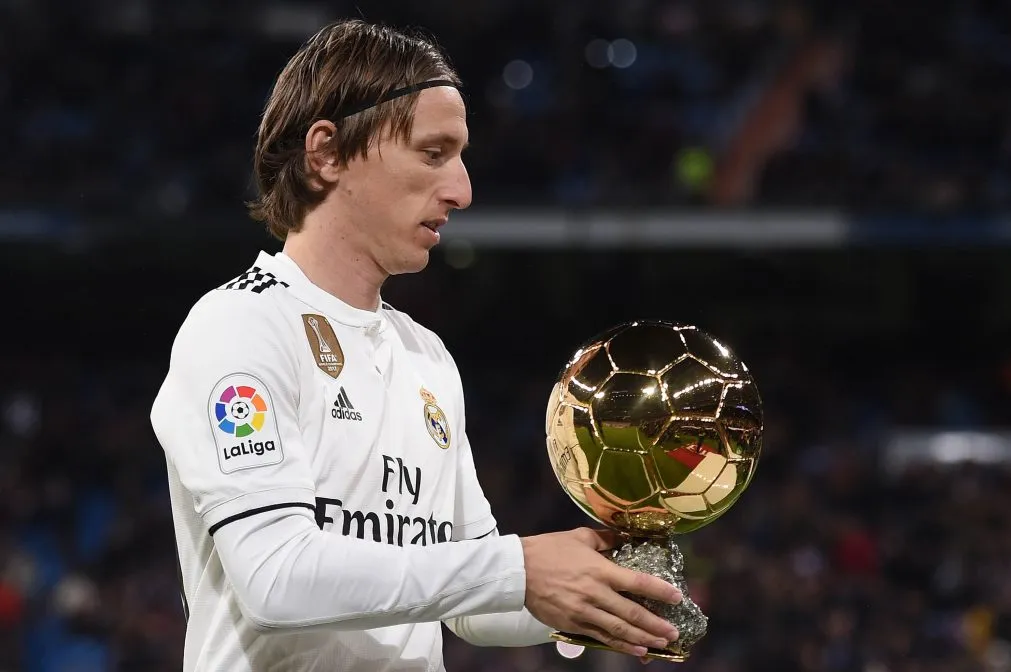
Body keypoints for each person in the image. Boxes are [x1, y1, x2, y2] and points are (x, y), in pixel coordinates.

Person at [150, 18, 683, 671]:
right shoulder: (238, 325)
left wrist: (598, 591)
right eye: (433, 154)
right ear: (327, 154)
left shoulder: (426, 356)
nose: (461, 190)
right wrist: (516, 568)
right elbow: (275, 579)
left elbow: (472, 604)